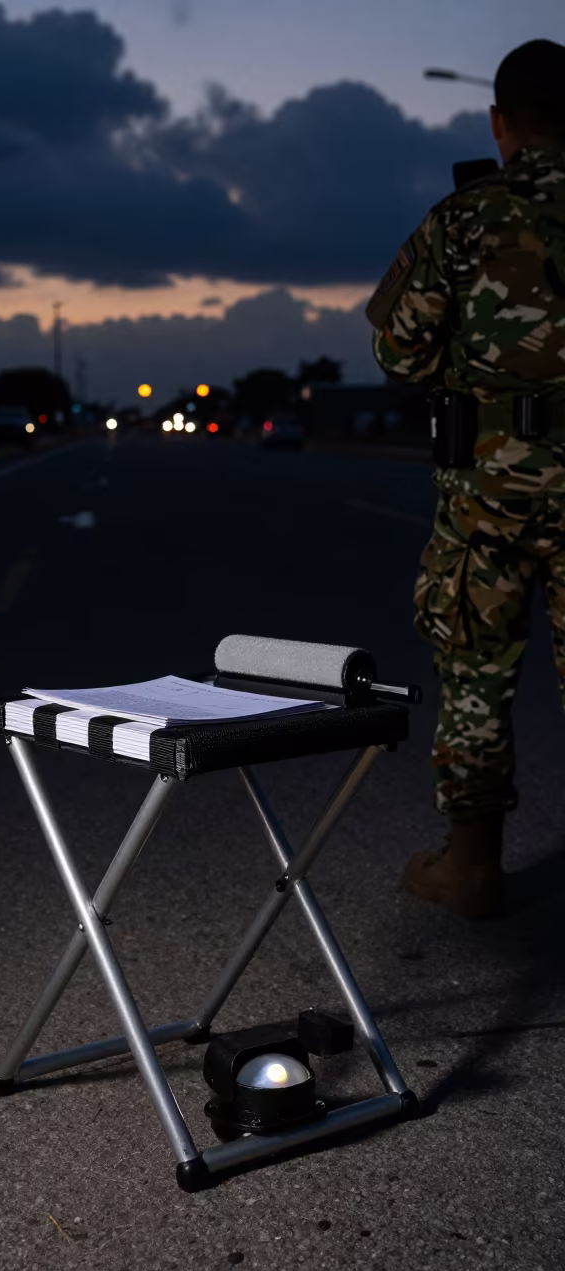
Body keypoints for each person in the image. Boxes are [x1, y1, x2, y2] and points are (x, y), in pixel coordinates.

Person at [366, 40, 565, 919]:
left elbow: (398, 353)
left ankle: (473, 865)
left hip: (491, 493)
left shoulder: (468, 217)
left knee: (478, 670)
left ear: (501, 125)